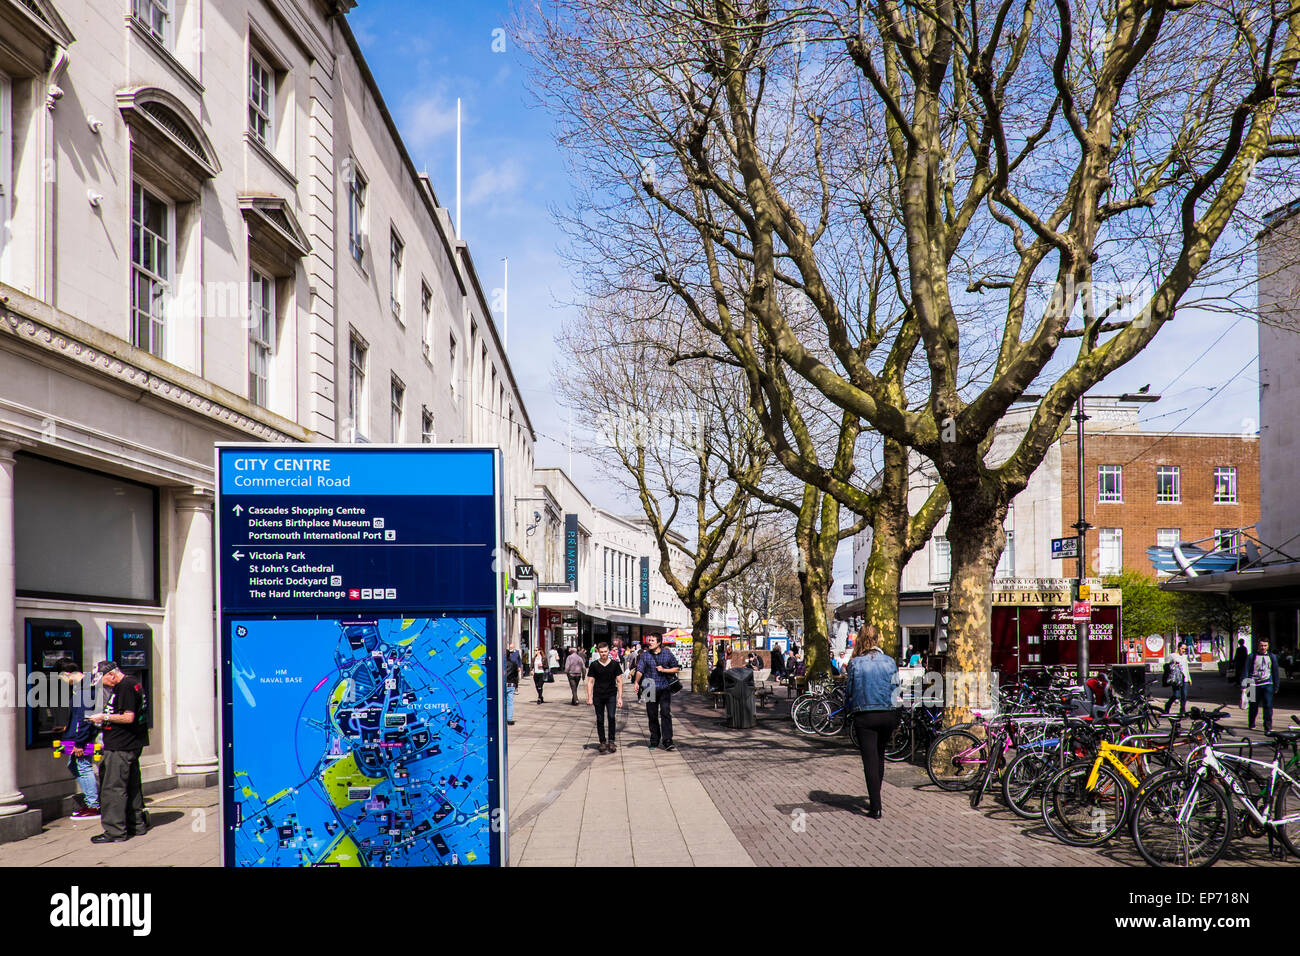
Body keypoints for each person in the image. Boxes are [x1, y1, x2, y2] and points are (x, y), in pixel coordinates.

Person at [87, 661, 149, 843]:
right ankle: (136, 825)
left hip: (121, 746)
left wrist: (103, 717)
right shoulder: (132, 683)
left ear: (112, 675)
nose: (103, 685)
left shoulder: (125, 687)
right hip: (130, 744)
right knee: (132, 787)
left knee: (113, 789)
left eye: (103, 681)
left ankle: (114, 832)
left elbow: (128, 717)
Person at [844, 627, 900, 819]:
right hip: (886, 714)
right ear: (877, 639)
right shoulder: (890, 661)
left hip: (865, 715)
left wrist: (847, 710)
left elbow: (849, 691)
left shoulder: (855, 663)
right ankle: (876, 795)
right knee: (880, 754)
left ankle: (876, 806)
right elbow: (896, 689)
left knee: (869, 759)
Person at [54, 659, 100, 818]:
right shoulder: (83, 686)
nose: (63, 682)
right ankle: (92, 800)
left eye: (61, 679)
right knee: (74, 765)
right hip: (77, 735)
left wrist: (80, 743)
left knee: (83, 766)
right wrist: (68, 727)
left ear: (66, 674)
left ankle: (93, 805)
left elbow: (85, 718)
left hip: (82, 738)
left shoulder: (84, 688)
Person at [634, 632, 681, 751]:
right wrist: (636, 682)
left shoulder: (667, 654)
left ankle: (667, 740)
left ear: (659, 642)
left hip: (664, 687)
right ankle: (654, 739)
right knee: (652, 714)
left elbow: (676, 668)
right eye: (649, 640)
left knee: (665, 713)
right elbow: (640, 670)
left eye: (652, 640)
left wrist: (664, 670)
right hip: (648, 686)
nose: (649, 642)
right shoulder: (645, 655)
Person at [586, 642, 624, 753]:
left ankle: (611, 741)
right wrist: (589, 697)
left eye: (605, 652)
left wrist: (620, 698)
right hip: (598, 695)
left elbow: (619, 681)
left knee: (611, 717)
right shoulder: (594, 665)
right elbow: (590, 682)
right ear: (598, 652)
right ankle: (602, 741)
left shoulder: (615, 664)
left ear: (609, 651)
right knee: (600, 719)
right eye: (601, 652)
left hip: (611, 694)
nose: (603, 654)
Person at [1244, 639, 1282, 732]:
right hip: (1252, 685)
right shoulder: (1251, 656)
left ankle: (1268, 726)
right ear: (1258, 646)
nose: (1263, 647)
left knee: (1268, 705)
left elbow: (1275, 672)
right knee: (1253, 706)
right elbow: (1245, 671)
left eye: (1265, 645)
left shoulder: (1272, 657)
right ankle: (1251, 723)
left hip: (1267, 684)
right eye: (1261, 645)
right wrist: (1244, 686)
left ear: (1268, 646)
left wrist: (1276, 686)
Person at [1163, 642, 1191, 717]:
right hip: (1176, 678)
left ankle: (1182, 710)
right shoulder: (1172, 656)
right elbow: (1165, 664)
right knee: (1176, 695)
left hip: (1184, 678)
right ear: (1178, 648)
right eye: (1182, 648)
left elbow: (1186, 668)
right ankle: (1167, 705)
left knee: (1184, 695)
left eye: (1185, 649)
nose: (1183, 650)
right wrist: (1173, 664)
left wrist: (1189, 679)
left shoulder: (1185, 657)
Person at [503, 643, 521, 726]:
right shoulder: (514, 664)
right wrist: (516, 685)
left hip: (502, 685)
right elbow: (516, 676)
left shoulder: (500, 664)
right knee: (510, 703)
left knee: (502, 702)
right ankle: (509, 719)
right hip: (511, 685)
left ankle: (502, 718)